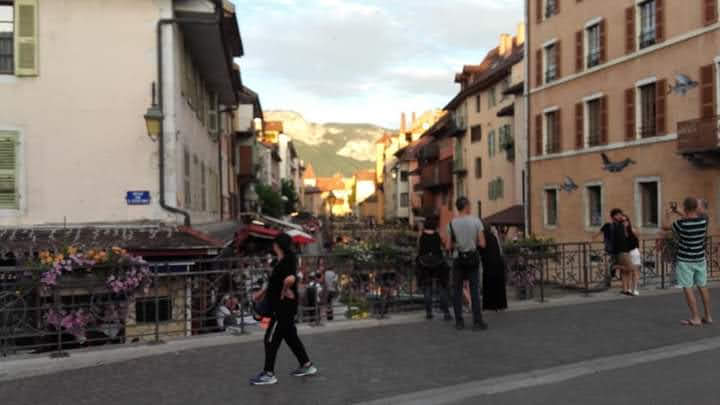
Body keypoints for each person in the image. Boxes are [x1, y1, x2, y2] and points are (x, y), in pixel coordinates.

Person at [250, 233, 317, 386]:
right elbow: (274, 282)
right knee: (290, 337)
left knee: (270, 339)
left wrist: (284, 290)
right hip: (283, 306)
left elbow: (290, 278)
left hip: (282, 307)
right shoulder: (281, 259)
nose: (273, 246)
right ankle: (306, 365)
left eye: (274, 244)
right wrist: (261, 293)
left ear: (278, 245)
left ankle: (269, 373)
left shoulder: (287, 260)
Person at [663, 197, 712, 327]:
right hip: (700, 258)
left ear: (685, 208)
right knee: (703, 286)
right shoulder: (703, 221)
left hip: (685, 260)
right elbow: (690, 217)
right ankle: (708, 316)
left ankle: (696, 318)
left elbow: (665, 227)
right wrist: (679, 211)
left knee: (688, 287)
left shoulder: (680, 224)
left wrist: (668, 214)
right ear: (696, 208)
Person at [446, 197, 488, 331]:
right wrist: (472, 243)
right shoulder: (476, 221)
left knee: (457, 291)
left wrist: (459, 244)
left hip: (458, 259)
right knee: (474, 291)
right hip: (472, 259)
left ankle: (459, 322)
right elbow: (483, 243)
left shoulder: (451, 223)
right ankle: (477, 322)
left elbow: (448, 246)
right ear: (466, 206)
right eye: (469, 205)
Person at [416, 215, 452, 321]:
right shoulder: (438, 234)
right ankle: (446, 312)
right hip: (438, 263)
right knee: (441, 288)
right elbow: (444, 246)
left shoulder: (421, 235)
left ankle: (429, 312)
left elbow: (418, 248)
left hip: (424, 264)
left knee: (427, 287)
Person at [480, 225, 508, 311]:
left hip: (488, 264)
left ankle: (490, 305)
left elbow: (481, 249)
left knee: (489, 285)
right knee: (499, 285)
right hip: (498, 263)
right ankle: (501, 305)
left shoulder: (484, 237)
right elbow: (500, 251)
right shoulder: (494, 237)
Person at [622, 216, 641, 296]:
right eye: (622, 221)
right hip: (625, 253)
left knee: (635, 271)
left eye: (626, 220)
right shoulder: (620, 232)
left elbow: (637, 240)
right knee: (628, 271)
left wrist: (638, 250)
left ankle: (635, 289)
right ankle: (629, 289)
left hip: (634, 252)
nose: (625, 222)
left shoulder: (632, 230)